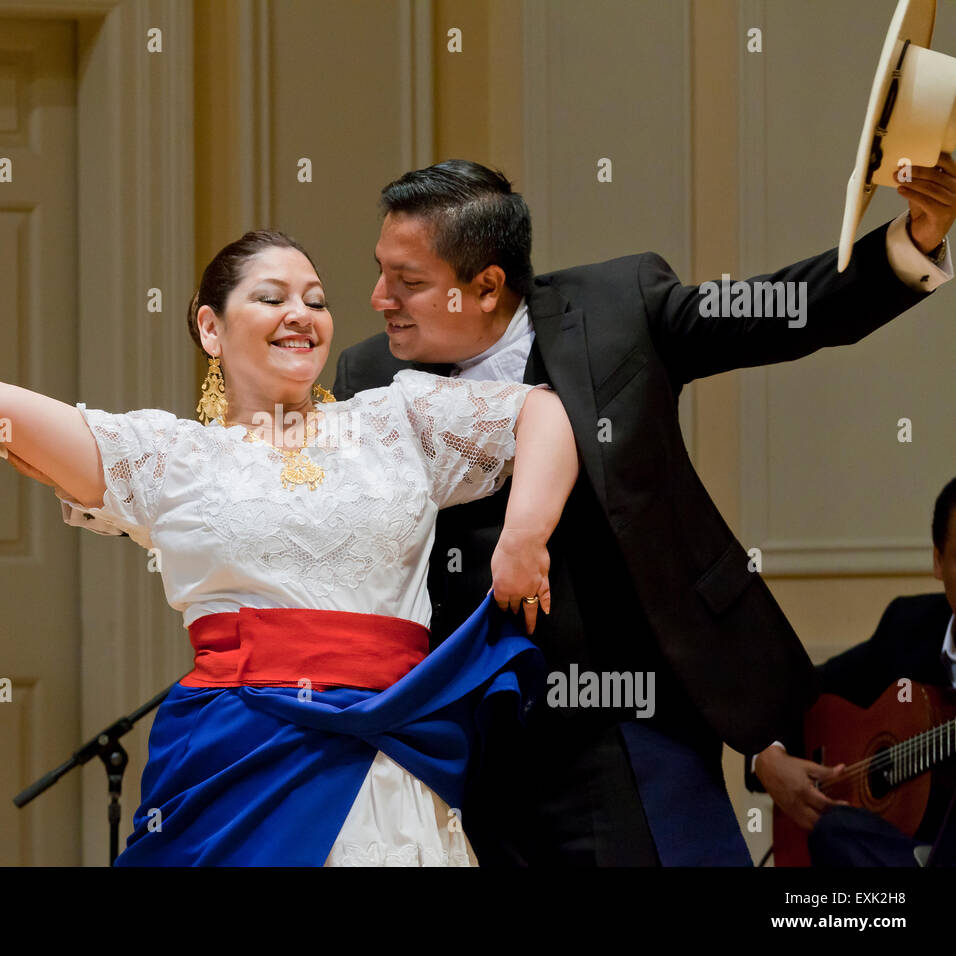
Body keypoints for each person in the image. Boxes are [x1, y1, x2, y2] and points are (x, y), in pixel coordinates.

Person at [0, 229, 579, 866]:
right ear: (210, 327)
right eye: (272, 297)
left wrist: (524, 534)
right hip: (240, 751)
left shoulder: (398, 420)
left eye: (317, 298)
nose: (303, 314)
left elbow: (541, 414)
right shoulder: (167, 458)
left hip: (392, 737)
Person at [331, 158, 956, 866]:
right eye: (382, 271)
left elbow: (780, 312)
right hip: (474, 742)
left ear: (486, 286)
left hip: (635, 720)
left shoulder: (616, 309)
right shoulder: (368, 378)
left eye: (409, 282)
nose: (381, 297)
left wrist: (911, 240)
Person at [748, 476, 956, 866]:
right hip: (896, 853)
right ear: (938, 562)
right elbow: (805, 689)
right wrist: (768, 758)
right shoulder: (909, 627)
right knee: (834, 829)